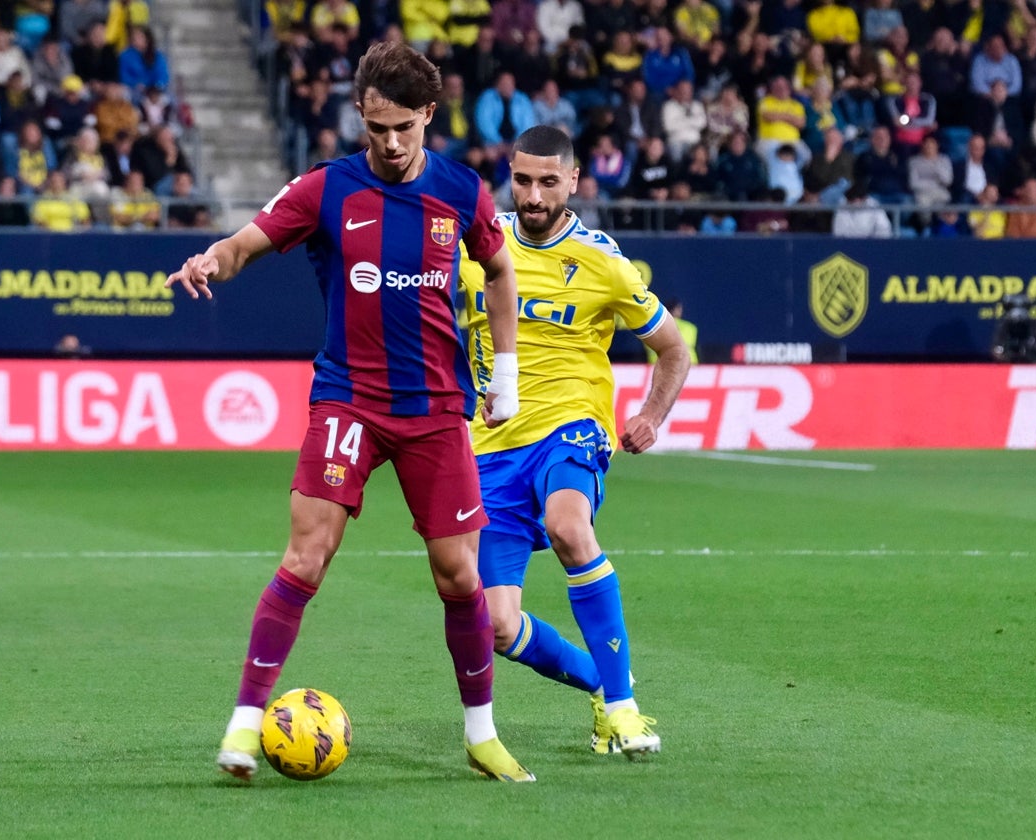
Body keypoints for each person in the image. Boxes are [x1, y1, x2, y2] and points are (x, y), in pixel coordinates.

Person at [164, 40, 532, 784]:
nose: (390, 144)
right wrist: (210, 261)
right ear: (359, 117)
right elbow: (244, 245)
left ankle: (481, 733)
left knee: (461, 577)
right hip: (349, 402)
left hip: (434, 408)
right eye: (375, 129)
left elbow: (498, 268)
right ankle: (241, 726)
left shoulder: (462, 192)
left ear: (429, 114)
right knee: (306, 555)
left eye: (403, 127)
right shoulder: (327, 189)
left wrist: (508, 376)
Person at [458, 125, 691, 759]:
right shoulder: (473, 246)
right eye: (523, 180)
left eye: (548, 182)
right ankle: (601, 683)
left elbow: (674, 349)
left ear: (573, 183)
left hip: (572, 427)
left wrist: (651, 415)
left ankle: (624, 710)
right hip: (491, 447)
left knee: (568, 525)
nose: (533, 195)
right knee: (499, 624)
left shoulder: (602, 262)